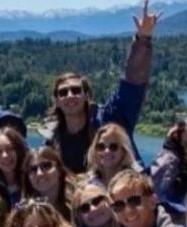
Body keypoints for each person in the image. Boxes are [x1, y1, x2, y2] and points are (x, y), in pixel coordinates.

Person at [39, 0, 157, 173]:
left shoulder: (110, 119)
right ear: (56, 100)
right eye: (63, 92)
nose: (70, 95)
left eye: (76, 90)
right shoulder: (52, 140)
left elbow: (132, 83)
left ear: (87, 95)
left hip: (122, 197)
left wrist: (142, 40)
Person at [21, 147, 78, 221]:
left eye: (46, 166)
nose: (39, 173)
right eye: (33, 169)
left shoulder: (79, 201)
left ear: (59, 170)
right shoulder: (25, 212)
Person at [83, 123, 143, 189]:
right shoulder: (88, 182)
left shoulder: (137, 181)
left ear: (123, 151)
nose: (107, 151)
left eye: (113, 147)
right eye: (101, 147)